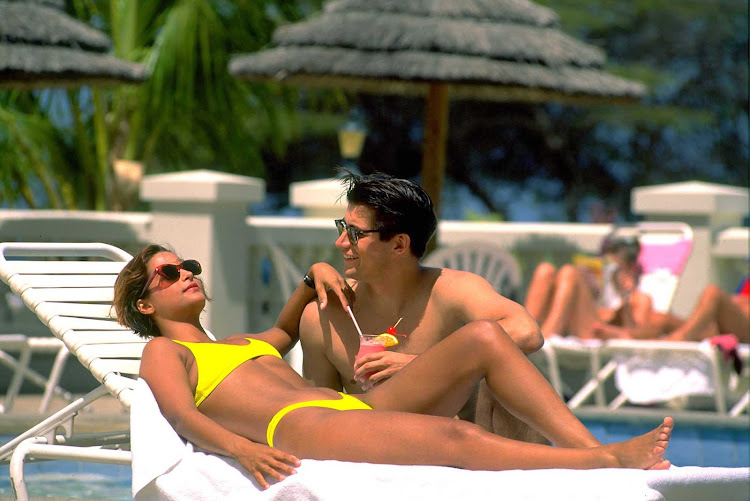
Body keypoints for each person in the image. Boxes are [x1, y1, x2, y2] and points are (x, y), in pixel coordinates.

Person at [114, 244, 674, 489]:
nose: (186, 274)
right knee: (452, 437)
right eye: (168, 275)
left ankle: (589, 448)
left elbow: (285, 330)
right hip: (306, 427)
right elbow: (181, 414)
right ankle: (601, 462)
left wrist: (314, 272)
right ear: (145, 305)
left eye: (187, 265)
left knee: (482, 336)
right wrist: (241, 448)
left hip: (348, 409)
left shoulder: (239, 341)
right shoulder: (166, 351)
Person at [298, 172, 544, 441]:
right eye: (341, 227)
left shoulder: (451, 291)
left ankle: (565, 466)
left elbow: (527, 333)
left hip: (471, 455)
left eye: (356, 233)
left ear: (399, 244)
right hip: (379, 455)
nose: (341, 242)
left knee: (514, 365)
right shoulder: (324, 318)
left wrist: (422, 366)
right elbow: (317, 418)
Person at [524, 235, 653, 339]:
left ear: (631, 267)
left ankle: (544, 337)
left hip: (595, 333)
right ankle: (525, 332)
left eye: (613, 266)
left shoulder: (640, 299)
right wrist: (589, 290)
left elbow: (635, 336)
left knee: (570, 272)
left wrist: (626, 299)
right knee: (545, 270)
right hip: (572, 324)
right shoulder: (601, 285)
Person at [593, 282, 749, 343]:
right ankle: (625, 335)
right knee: (660, 319)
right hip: (723, 326)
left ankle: (678, 338)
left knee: (712, 293)